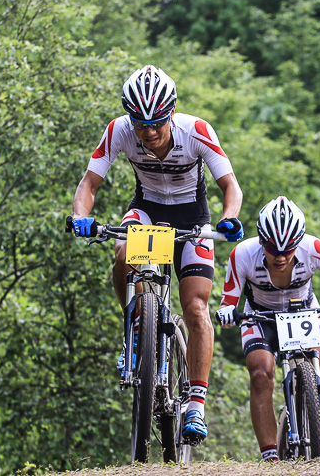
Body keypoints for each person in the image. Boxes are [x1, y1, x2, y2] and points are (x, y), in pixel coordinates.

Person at [70, 65, 244, 443]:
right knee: (121, 253)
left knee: (196, 307)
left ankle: (196, 404)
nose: (148, 132)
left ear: (171, 112)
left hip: (192, 218)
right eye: (140, 123)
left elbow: (230, 185)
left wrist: (230, 218)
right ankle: (134, 327)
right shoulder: (118, 130)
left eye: (156, 123)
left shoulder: (196, 130)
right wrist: (79, 217)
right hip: (147, 209)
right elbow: (90, 182)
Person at [215, 196, 320, 462]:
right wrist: (227, 312)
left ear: (299, 242)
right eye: (272, 249)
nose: (280, 256)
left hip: (305, 312)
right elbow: (228, 301)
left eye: (288, 250)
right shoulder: (242, 253)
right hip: (261, 316)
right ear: (261, 241)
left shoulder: (314, 247)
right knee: (260, 372)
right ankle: (269, 456)